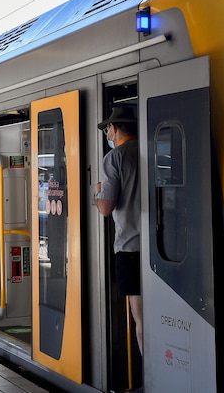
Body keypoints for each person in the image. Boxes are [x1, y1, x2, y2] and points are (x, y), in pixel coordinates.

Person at [93, 106, 143, 358]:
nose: (108, 134)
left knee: (141, 318)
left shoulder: (114, 158)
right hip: (160, 246)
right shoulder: (150, 150)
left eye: (108, 130)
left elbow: (105, 208)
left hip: (130, 249)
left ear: (114, 128)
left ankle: (151, 379)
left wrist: (97, 192)